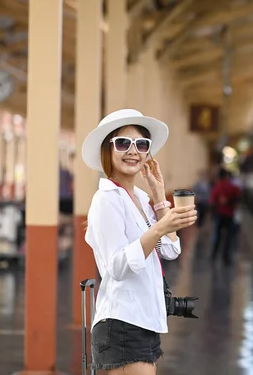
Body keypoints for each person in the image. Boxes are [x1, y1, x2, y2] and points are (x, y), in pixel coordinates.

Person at [81, 108, 197, 374]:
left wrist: (159, 199)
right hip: (122, 323)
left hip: (145, 321)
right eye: (123, 143)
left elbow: (170, 250)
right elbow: (117, 267)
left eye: (141, 144)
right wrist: (159, 228)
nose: (133, 151)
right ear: (107, 150)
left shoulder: (142, 199)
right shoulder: (107, 199)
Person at [209, 168, 241, 264]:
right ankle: (226, 257)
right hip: (229, 215)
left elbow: (212, 201)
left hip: (219, 215)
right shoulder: (233, 187)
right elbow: (238, 198)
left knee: (218, 236)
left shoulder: (217, 187)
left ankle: (214, 256)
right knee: (228, 237)